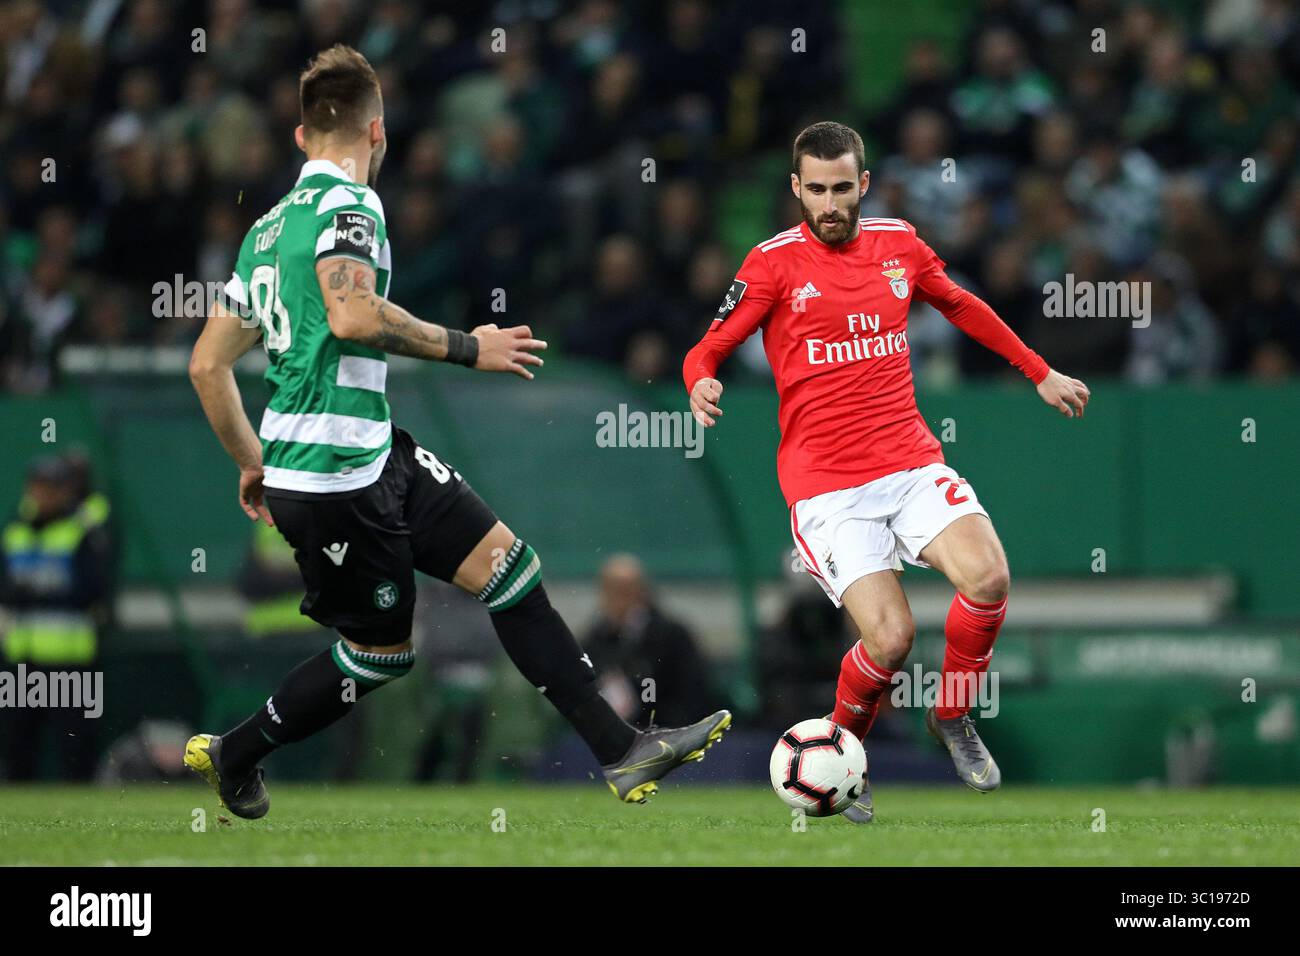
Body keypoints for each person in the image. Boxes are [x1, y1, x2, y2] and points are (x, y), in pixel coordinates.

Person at [186, 45, 728, 819]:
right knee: (380, 655)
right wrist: (471, 346)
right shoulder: (353, 206)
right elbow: (353, 313)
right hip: (336, 477)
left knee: (509, 568)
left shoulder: (266, 231)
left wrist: (250, 461)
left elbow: (208, 366)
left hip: (371, 452)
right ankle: (236, 753)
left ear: (302, 137)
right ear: (378, 131)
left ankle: (621, 750)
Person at [683, 121, 1090, 823]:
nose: (831, 203)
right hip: (827, 489)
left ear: (863, 184)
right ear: (796, 190)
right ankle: (846, 758)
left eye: (843, 187)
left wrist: (1039, 371)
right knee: (891, 640)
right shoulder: (771, 263)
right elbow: (708, 347)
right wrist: (700, 382)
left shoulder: (898, 244)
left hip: (907, 461)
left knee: (989, 577)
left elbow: (961, 304)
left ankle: (952, 716)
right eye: (817, 190)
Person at [0, 456, 113, 780]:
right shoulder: (15, 528)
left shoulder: (82, 531)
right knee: (17, 747)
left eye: (53, 488)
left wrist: (32, 590)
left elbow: (93, 589)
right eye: (39, 487)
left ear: (67, 492)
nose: (44, 495)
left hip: (71, 660)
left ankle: (86, 820)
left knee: (77, 750)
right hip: (22, 658)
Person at [582, 554, 714, 729]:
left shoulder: (670, 636)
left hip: (665, 736)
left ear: (642, 590)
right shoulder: (593, 641)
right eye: (613, 590)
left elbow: (691, 693)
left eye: (626, 590)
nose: (620, 599)